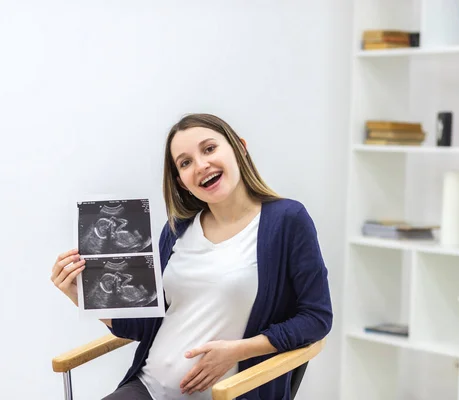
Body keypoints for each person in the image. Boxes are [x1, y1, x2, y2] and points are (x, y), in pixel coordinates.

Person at [50, 113, 333, 400]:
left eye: (209, 149)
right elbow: (143, 326)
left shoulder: (287, 220)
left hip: (227, 394)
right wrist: (84, 295)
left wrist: (237, 350)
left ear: (240, 148)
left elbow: (316, 318)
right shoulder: (177, 229)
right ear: (182, 181)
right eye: (185, 162)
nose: (201, 165)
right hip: (148, 388)